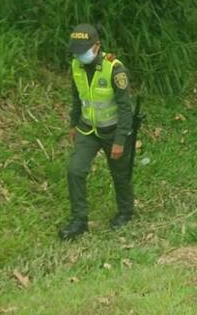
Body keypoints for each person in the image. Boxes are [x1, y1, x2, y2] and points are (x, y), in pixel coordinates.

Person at [59, 24, 135, 240]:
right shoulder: (76, 66)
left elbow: (124, 108)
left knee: (120, 174)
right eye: (76, 51)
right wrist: (73, 125)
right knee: (75, 170)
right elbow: (77, 97)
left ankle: (125, 212)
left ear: (97, 46)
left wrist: (120, 140)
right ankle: (79, 221)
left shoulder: (115, 69)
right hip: (88, 129)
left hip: (113, 131)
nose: (79, 55)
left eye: (83, 50)